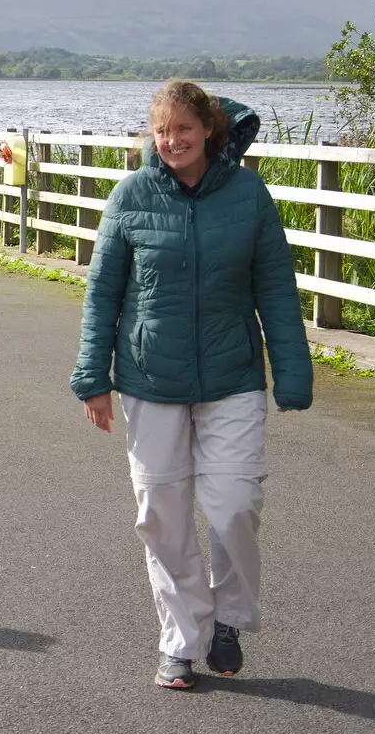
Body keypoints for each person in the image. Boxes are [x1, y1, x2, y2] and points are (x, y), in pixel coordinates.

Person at [69, 80, 312, 690]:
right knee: (162, 516)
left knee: (234, 508)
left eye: (183, 128)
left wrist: (292, 373)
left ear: (207, 129)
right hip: (151, 381)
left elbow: (276, 290)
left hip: (232, 377)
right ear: (151, 138)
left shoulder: (249, 195)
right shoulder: (130, 196)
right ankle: (180, 640)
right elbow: (103, 293)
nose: (173, 140)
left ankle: (228, 616)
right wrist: (92, 378)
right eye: (162, 131)